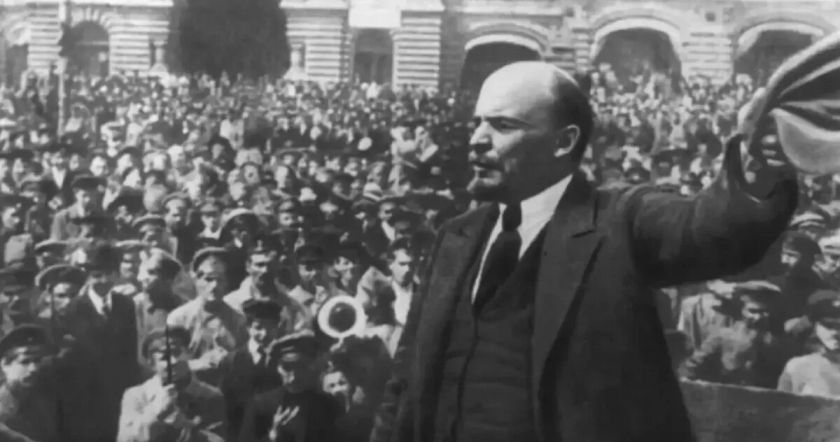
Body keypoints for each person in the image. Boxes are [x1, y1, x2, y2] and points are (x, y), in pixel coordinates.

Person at [371, 62, 799, 442]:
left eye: (502, 125)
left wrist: (757, 167)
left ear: (564, 142)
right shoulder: (455, 238)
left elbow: (710, 229)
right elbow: (404, 380)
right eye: (478, 123)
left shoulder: (620, 222)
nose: (477, 139)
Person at [63, 239, 140, 441]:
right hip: (87, 395)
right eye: (97, 275)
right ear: (88, 277)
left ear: (117, 274)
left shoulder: (126, 305)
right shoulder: (74, 309)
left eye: (110, 274)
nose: (104, 280)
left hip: (120, 391)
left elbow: (130, 351)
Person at [117, 326, 226, 442]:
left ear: (189, 354)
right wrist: (155, 413)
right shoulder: (136, 396)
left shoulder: (211, 396)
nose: (174, 361)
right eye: (164, 357)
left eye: (178, 353)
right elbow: (125, 438)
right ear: (151, 363)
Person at [679, 281, 795, 388]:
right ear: (743, 311)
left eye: (764, 312)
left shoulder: (776, 345)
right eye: (753, 311)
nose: (758, 317)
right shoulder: (722, 337)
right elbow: (691, 368)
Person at [238, 332, 341, 442]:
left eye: (301, 367)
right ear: (277, 368)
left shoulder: (328, 406)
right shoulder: (260, 405)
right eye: (286, 368)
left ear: (311, 366)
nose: (293, 377)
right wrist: (273, 436)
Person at [168, 247, 248, 385]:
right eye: (208, 279)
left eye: (220, 280)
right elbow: (170, 364)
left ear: (227, 283)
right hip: (188, 386)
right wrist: (200, 364)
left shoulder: (238, 320)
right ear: (197, 280)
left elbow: (244, 364)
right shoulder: (178, 318)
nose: (214, 286)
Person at [219, 299, 285, 440]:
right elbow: (226, 406)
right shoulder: (231, 361)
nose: (264, 333)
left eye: (271, 327)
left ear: (278, 327)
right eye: (258, 327)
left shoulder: (284, 360)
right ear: (248, 327)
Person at [0, 325, 60, 442]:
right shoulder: (3, 409)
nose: (34, 368)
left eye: (37, 361)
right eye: (24, 362)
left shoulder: (47, 399)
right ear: (5, 365)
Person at [778, 289, 840, 397]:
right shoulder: (798, 367)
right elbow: (781, 405)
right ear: (815, 327)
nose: (835, 333)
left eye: (839, 327)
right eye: (828, 325)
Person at [134, 248, 185, 365]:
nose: (141, 278)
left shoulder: (183, 307)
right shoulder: (135, 305)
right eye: (141, 272)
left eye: (151, 273)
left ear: (169, 278)